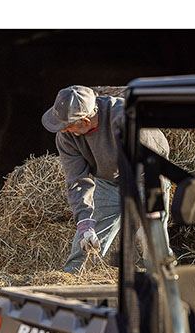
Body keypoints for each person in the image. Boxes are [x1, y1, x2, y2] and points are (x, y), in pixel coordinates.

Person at [41, 85, 171, 272]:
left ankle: (161, 287)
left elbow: (152, 160)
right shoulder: (67, 138)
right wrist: (85, 222)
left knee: (153, 238)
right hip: (109, 181)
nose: (63, 130)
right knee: (85, 243)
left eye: (67, 126)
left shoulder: (125, 119)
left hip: (147, 177)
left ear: (84, 121)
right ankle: (73, 281)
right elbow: (77, 180)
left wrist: (146, 218)